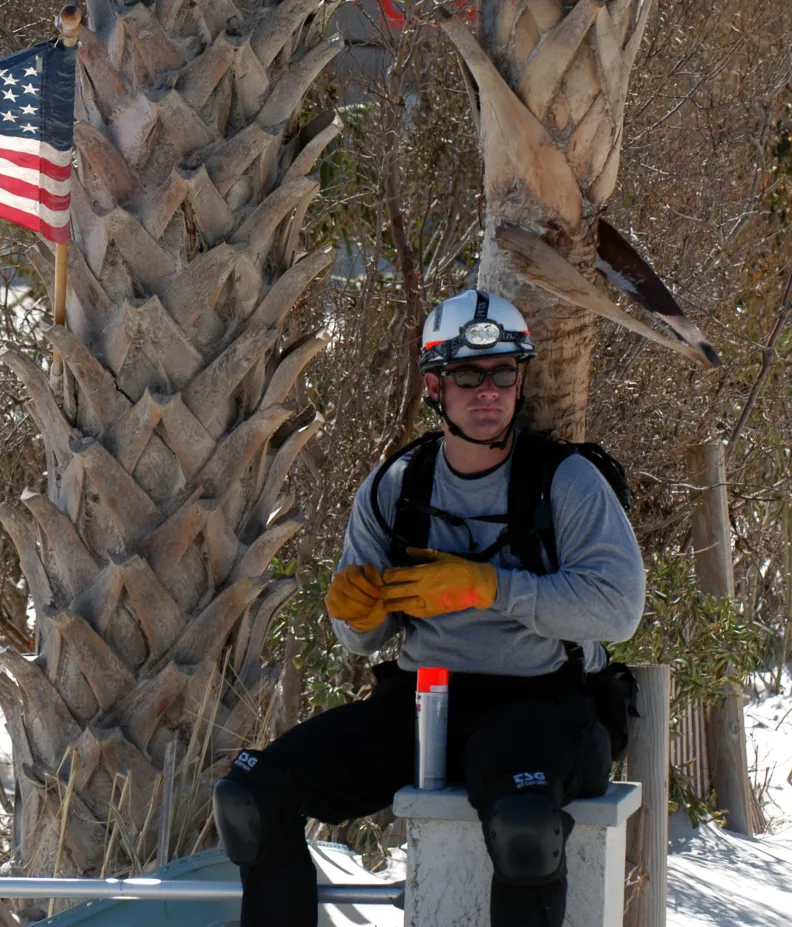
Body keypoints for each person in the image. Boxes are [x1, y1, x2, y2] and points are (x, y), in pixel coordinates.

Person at [212, 290, 646, 927]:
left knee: (525, 825)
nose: (488, 390)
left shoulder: (566, 482)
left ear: (521, 381)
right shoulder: (398, 485)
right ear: (435, 386)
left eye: (504, 373)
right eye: (468, 376)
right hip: (424, 702)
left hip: (543, 702)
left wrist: (489, 587)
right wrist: (356, 615)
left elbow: (617, 610)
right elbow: (362, 639)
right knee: (250, 794)